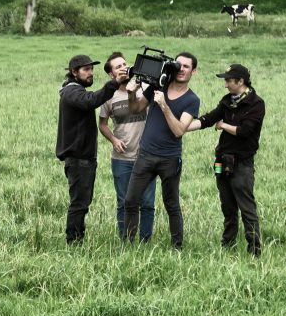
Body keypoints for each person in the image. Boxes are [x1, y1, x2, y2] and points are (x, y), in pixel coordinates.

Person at [123, 52, 200, 248]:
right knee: (131, 200)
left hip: (169, 159)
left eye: (186, 67)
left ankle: (177, 246)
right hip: (146, 155)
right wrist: (131, 93)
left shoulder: (192, 99)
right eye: (178, 65)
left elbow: (179, 130)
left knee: (171, 204)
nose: (181, 69)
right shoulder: (159, 86)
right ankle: (129, 244)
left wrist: (164, 106)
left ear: (194, 71)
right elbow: (135, 109)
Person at [187, 63, 265, 256]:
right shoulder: (227, 101)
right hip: (222, 161)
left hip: (241, 163)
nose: (225, 85)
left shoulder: (255, 103)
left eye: (229, 81)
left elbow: (245, 131)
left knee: (246, 207)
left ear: (241, 81)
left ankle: (254, 249)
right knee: (227, 205)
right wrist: (184, 127)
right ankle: (227, 244)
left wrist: (224, 125)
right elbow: (209, 118)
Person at [56, 53, 123, 245]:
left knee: (82, 203)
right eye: (86, 70)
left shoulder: (73, 90)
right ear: (74, 72)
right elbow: (91, 100)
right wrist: (115, 83)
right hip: (78, 159)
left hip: (82, 159)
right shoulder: (72, 91)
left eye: (92, 69)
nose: (90, 73)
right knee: (79, 204)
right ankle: (74, 242)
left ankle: (76, 239)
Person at [99, 52, 157, 241]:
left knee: (147, 203)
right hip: (122, 159)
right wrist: (114, 140)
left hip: (146, 157)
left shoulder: (144, 89)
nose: (124, 67)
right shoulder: (109, 96)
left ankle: (145, 240)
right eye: (118, 67)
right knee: (124, 202)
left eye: (124, 63)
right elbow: (102, 124)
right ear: (111, 74)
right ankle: (126, 240)